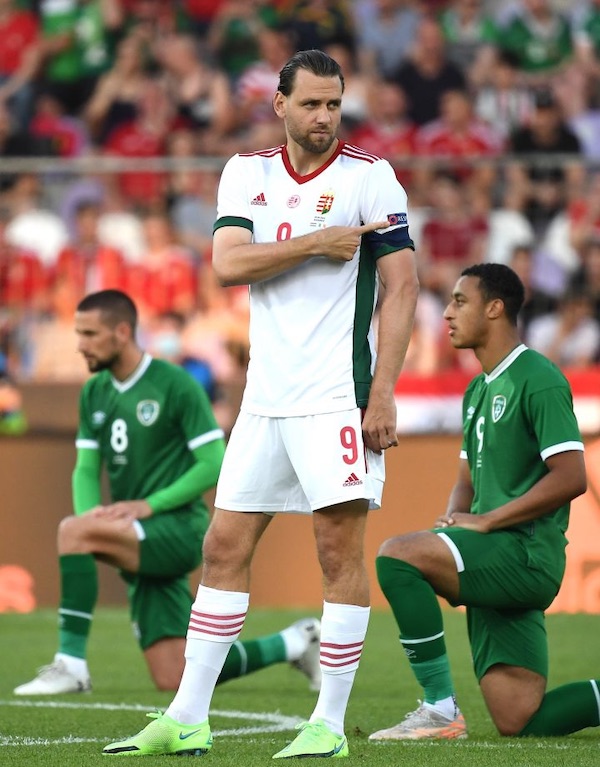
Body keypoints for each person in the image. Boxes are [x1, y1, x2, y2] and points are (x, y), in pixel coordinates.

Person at [102, 49, 419, 758]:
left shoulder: (371, 177)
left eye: (334, 104)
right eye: (310, 103)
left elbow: (403, 287)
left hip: (338, 395)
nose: (325, 117)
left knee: (337, 550)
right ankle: (188, 716)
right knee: (222, 545)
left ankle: (329, 725)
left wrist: (385, 388)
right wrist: (317, 244)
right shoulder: (248, 172)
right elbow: (227, 264)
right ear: (280, 104)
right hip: (265, 399)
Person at [14, 289, 322, 695]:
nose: (80, 344)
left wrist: (142, 508)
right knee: (174, 675)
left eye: (89, 334)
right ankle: (295, 642)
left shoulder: (174, 384)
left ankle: (70, 664)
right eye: (79, 333)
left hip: (179, 528)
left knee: (72, 530)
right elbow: (86, 468)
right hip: (134, 533)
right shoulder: (95, 392)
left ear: (122, 332)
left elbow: (214, 462)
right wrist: (94, 524)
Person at [369, 263, 600, 742]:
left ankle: (438, 709)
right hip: (494, 551)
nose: (448, 314)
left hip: (525, 553)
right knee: (520, 720)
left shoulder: (538, 377)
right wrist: (455, 517)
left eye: (459, 301)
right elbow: (466, 480)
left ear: (495, 308)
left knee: (397, 556)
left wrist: (488, 521)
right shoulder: (477, 388)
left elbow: (572, 476)